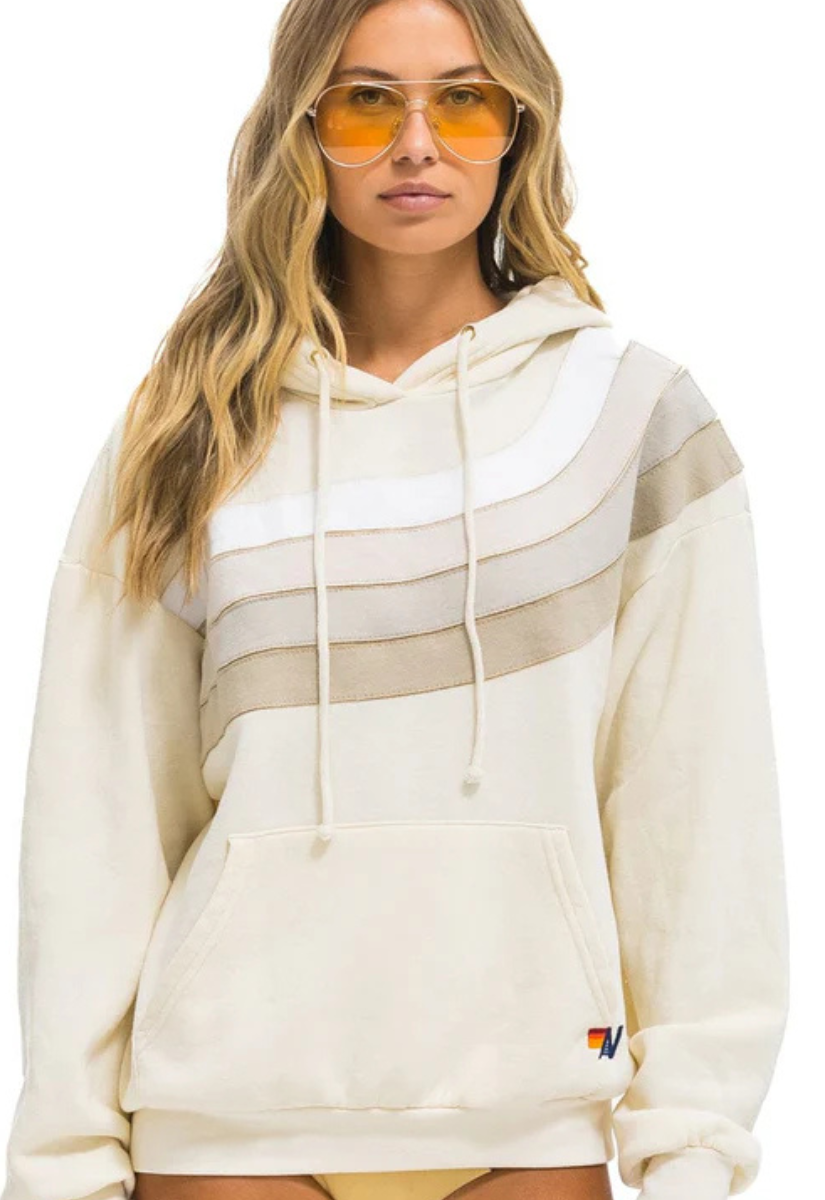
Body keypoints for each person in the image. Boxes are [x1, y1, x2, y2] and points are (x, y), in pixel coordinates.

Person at [1, 0, 790, 1198]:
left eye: (462, 101)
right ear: (303, 127)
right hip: (225, 1122)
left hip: (533, 1112)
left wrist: (691, 1139)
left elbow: (695, 796)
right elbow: (96, 814)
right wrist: (64, 1161)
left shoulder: (629, 417)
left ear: (517, 126)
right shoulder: (191, 428)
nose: (416, 143)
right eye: (367, 102)